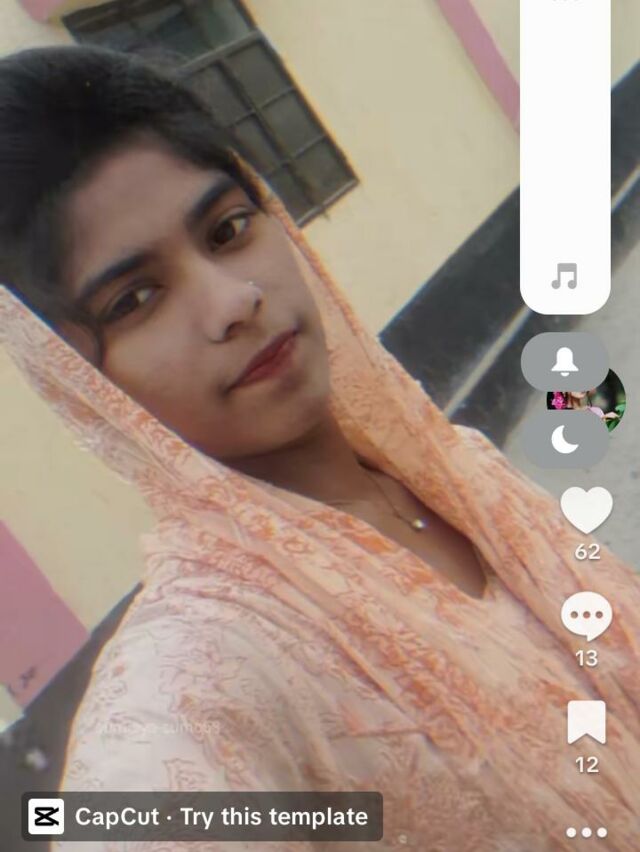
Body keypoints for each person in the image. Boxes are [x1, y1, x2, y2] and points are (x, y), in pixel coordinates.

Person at [1, 46, 639, 852]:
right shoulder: (210, 657)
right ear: (75, 381)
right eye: (135, 299)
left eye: (228, 230)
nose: (235, 300)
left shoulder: (460, 472)